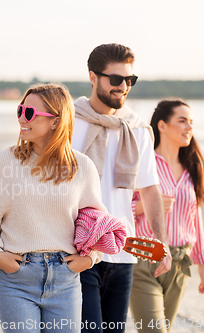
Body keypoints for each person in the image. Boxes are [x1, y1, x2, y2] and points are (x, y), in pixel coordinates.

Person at [0, 83, 106, 333]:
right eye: (21, 110)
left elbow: (97, 225)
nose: (23, 118)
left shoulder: (82, 167)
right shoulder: (4, 161)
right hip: (16, 280)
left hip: (66, 281)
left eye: (31, 114)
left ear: (56, 121)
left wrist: (89, 259)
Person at [71, 43, 172, 333]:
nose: (123, 86)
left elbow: (150, 188)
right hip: (79, 250)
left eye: (130, 80)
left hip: (123, 253)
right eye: (116, 79)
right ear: (93, 77)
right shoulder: (69, 121)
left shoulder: (137, 129)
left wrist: (160, 241)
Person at [130, 99, 204, 333]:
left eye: (191, 122)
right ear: (162, 125)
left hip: (180, 264)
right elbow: (116, 213)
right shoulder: (142, 164)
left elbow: (196, 220)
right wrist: (146, 206)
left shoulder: (193, 168)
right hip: (143, 258)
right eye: (181, 121)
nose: (189, 127)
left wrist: (202, 267)